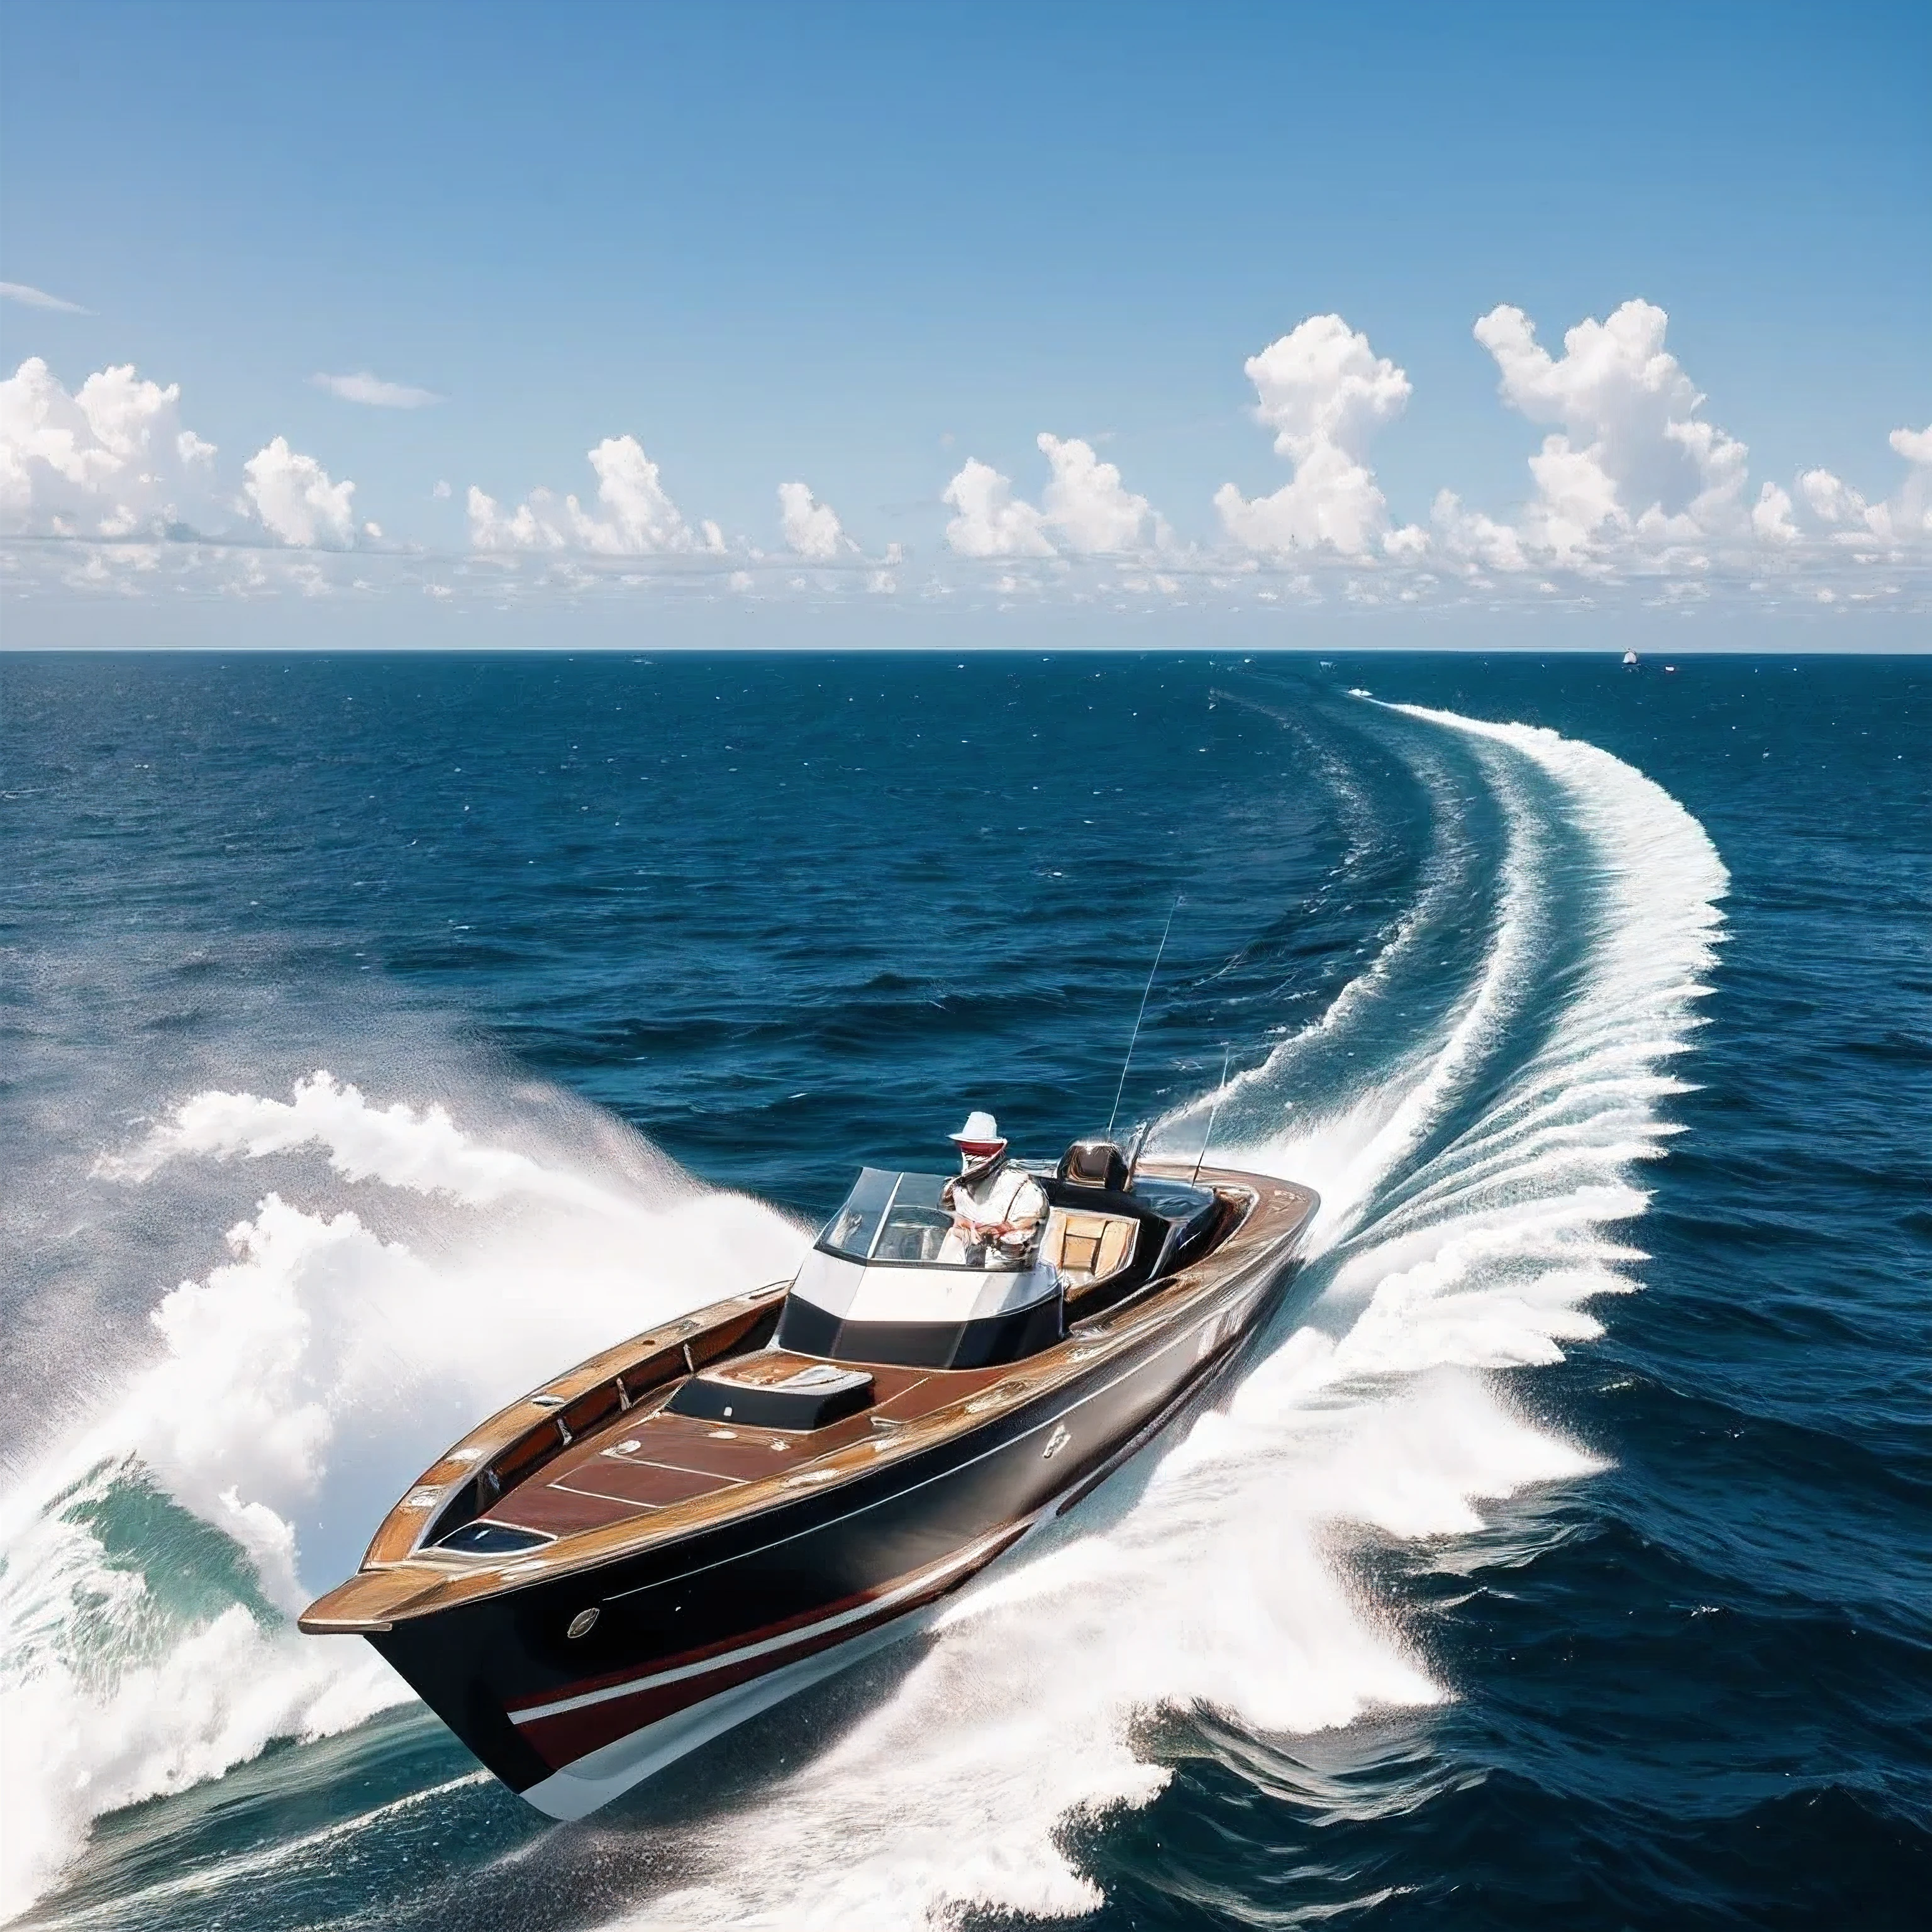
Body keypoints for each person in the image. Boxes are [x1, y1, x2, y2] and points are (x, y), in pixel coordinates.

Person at [940, 1111, 1047, 1269]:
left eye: (979, 1148)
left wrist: (998, 1229)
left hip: (1007, 1265)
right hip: (966, 1259)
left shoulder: (1021, 1184)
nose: (972, 1154)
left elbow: (1030, 1221)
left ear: (994, 1149)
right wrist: (961, 1222)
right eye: (968, 1147)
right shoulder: (957, 1187)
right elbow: (953, 1212)